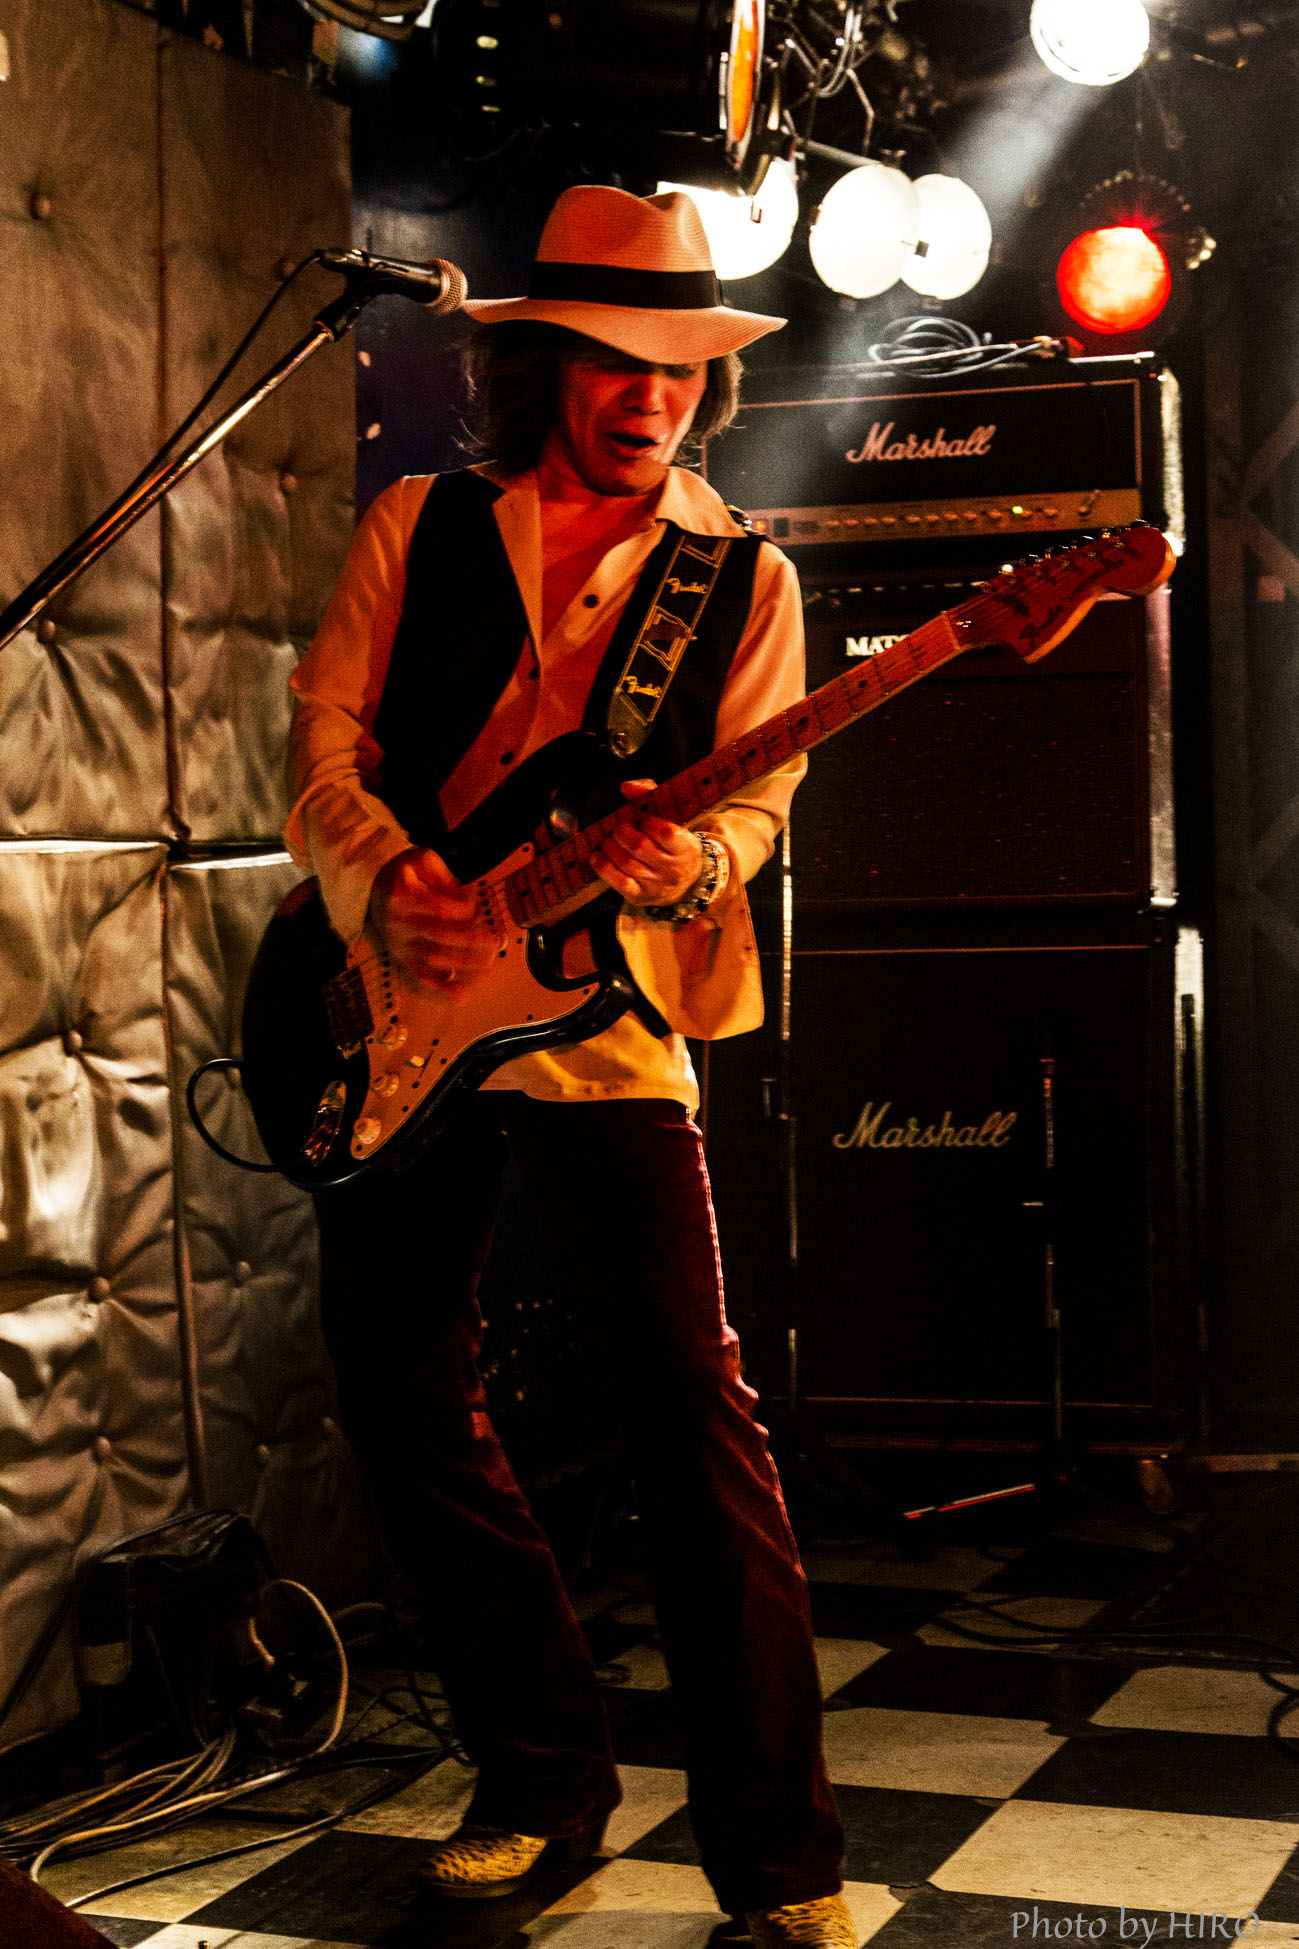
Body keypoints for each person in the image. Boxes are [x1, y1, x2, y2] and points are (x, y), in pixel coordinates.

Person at [284, 184, 855, 1949]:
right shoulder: (420, 521)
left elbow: (758, 806)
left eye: (679, 367)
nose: (651, 395)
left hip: (606, 1030)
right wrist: (386, 883)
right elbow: (323, 740)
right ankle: (540, 1773)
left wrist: (684, 860)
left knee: (691, 1415)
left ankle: (784, 1859)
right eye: (617, 360)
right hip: (400, 1009)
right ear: (546, 365)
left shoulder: (745, 579)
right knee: (398, 1389)